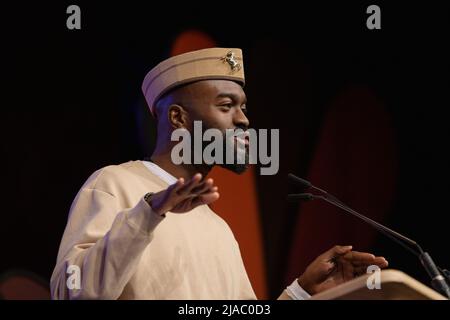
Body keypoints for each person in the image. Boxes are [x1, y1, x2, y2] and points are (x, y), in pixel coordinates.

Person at [50, 48, 388, 299]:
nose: (243, 120)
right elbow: (70, 292)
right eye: (226, 106)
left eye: (243, 107)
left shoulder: (218, 227)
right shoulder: (115, 184)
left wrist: (301, 292)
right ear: (178, 119)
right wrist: (147, 215)